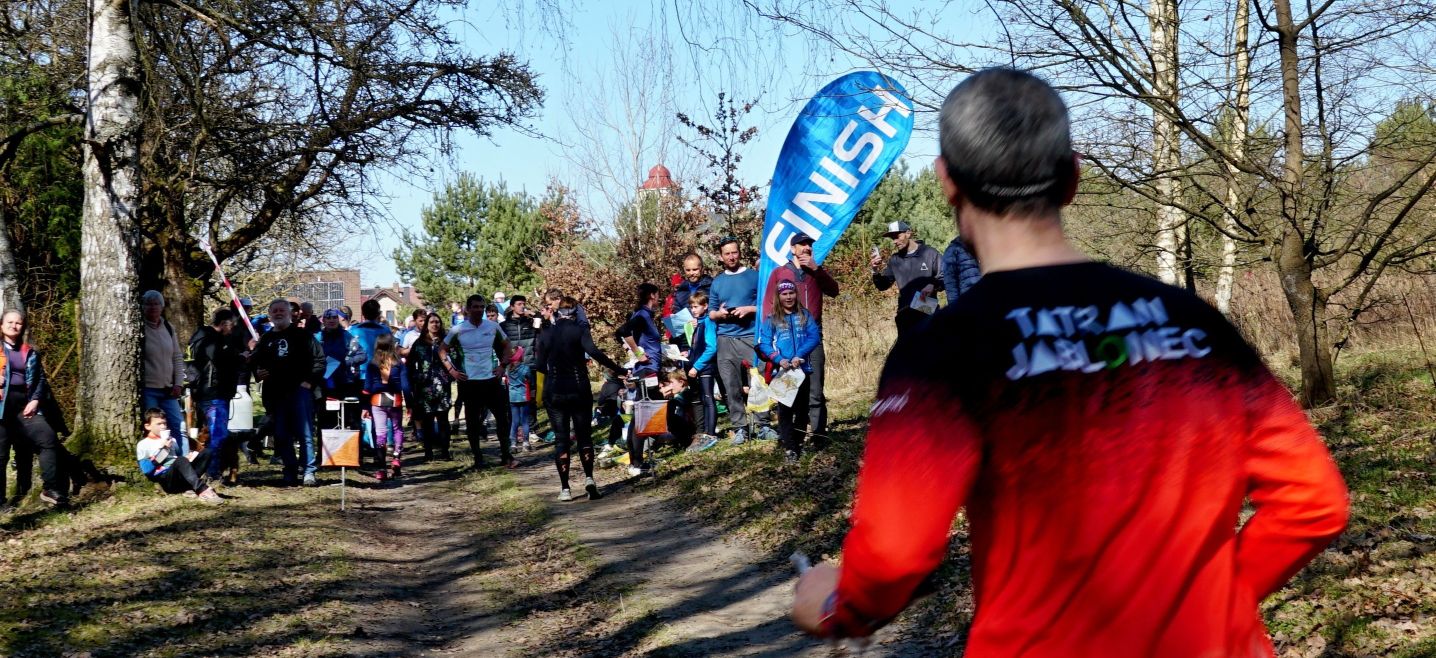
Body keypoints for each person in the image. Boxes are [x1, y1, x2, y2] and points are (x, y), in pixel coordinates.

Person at [791, 68, 1351, 656]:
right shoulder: (1195, 323)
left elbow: (893, 558)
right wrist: (1215, 602)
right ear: (1073, 177)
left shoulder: (940, 353)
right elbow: (1313, 503)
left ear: (947, 182)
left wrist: (835, 604)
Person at [535, 296, 625, 501]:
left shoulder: (547, 332)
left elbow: (539, 365)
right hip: (579, 388)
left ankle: (565, 489)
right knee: (584, 436)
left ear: (558, 312)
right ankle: (589, 478)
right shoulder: (580, 330)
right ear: (576, 313)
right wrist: (618, 369)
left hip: (555, 390)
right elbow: (594, 352)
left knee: (561, 439)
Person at [762, 232, 839, 443]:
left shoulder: (816, 271)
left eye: (809, 245)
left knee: (815, 389)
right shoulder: (779, 273)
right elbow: (768, 306)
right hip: (786, 339)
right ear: (792, 249)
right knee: (789, 390)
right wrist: (770, 342)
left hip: (812, 339)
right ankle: (792, 437)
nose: (806, 247)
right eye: (802, 244)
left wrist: (816, 269)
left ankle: (819, 434)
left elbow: (834, 290)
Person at [251, 298, 325, 486]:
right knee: (282, 434)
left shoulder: (303, 336)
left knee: (304, 432)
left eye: (281, 310)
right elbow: (254, 362)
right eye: (274, 311)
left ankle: (309, 471)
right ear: (269, 315)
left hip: (299, 392)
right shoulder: (266, 339)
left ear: (290, 313)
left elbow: (320, 360)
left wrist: (309, 381)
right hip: (275, 393)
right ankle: (290, 470)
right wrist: (258, 372)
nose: (278, 313)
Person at [707, 238, 774, 444]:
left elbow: (769, 305)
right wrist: (720, 314)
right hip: (725, 339)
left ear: (739, 252)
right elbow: (711, 313)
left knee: (758, 382)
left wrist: (749, 309)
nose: (731, 257)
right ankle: (740, 429)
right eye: (727, 254)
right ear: (721, 257)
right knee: (731, 386)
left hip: (751, 337)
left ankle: (763, 425)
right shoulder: (717, 282)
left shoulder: (754, 276)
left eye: (734, 252)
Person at [0, 310, 69, 507]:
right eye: (10, 322)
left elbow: (40, 380)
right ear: (1, 325)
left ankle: (50, 489)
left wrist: (36, 400)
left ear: (23, 327)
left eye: (18, 323)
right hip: (1, 408)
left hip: (25, 407)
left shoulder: (29, 352)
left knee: (48, 438)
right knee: (1, 455)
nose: (14, 326)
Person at [439, 294, 515, 469]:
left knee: (502, 419)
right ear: (468, 309)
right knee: (472, 422)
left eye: (482, 307)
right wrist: (452, 370)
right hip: (469, 382)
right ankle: (478, 458)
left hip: (491, 380)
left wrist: (502, 366)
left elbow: (507, 345)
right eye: (475, 307)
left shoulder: (493, 326)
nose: (479, 310)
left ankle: (506, 455)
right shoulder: (458, 330)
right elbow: (442, 350)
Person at [757, 279, 820, 465]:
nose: (788, 297)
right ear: (779, 296)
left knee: (802, 410)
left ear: (796, 294)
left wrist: (799, 355)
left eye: (791, 293)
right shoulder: (772, 319)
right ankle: (790, 448)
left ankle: (798, 442)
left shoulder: (804, 315)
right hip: (783, 373)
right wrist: (779, 359)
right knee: (785, 411)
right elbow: (764, 343)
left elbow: (814, 337)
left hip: (802, 370)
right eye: (784, 294)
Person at [188, 307, 249, 484]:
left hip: (211, 393)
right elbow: (220, 358)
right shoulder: (210, 339)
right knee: (218, 434)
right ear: (224, 324)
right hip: (213, 392)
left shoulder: (204, 338)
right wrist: (241, 357)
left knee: (212, 434)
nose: (233, 330)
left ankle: (211, 469)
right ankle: (212, 472)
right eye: (232, 326)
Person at [870, 220, 945, 336]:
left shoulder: (929, 253)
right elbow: (882, 286)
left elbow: (945, 277)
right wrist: (875, 270)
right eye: (892, 238)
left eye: (897, 236)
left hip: (926, 307)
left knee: (929, 344)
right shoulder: (895, 259)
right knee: (909, 347)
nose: (894, 241)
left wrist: (933, 285)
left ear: (908, 233)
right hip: (904, 312)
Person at [136, 408, 223, 502]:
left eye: (164, 423)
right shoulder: (144, 444)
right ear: (147, 426)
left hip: (180, 474)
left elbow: (177, 458)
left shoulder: (172, 440)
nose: (163, 427)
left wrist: (187, 458)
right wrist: (163, 450)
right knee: (180, 460)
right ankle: (202, 489)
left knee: (206, 453)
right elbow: (147, 470)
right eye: (159, 424)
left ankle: (190, 486)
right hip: (166, 479)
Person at [141, 290, 187, 441]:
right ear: (143, 307)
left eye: (156, 304)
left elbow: (177, 357)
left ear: (162, 307)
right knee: (155, 429)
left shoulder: (168, 327)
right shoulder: (139, 328)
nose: (153, 307)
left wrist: (178, 383)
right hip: (149, 390)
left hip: (169, 390)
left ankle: (183, 455)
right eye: (149, 304)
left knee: (179, 427)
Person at [406, 312, 453, 460]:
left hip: (442, 386)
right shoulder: (419, 343)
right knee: (427, 420)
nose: (435, 324)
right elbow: (409, 364)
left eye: (437, 322)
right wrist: (415, 378)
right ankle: (428, 452)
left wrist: (450, 376)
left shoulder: (446, 341)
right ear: (426, 325)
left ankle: (445, 451)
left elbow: (455, 358)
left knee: (443, 419)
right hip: (424, 387)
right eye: (431, 322)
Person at [363, 333, 409, 481]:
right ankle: (396, 458)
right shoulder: (399, 364)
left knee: (380, 433)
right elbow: (406, 386)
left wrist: (365, 407)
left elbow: (367, 388)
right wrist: (410, 404)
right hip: (395, 400)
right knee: (397, 429)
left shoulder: (372, 364)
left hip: (377, 401)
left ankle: (381, 469)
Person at [317, 308, 365, 430]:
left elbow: (362, 355)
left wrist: (346, 362)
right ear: (323, 320)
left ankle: (352, 441)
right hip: (325, 384)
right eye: (328, 318)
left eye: (334, 317)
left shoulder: (347, 336)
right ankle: (326, 441)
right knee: (327, 419)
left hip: (346, 383)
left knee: (350, 419)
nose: (331, 320)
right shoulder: (318, 337)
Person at [683, 291, 719, 450]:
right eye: (691, 307)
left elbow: (711, 348)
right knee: (703, 399)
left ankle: (711, 433)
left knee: (708, 399)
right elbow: (697, 346)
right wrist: (688, 354)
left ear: (705, 306)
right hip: (697, 366)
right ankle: (705, 431)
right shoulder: (697, 323)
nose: (693, 310)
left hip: (706, 367)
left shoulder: (708, 322)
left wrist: (696, 366)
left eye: (696, 306)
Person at [942, 233, 982, 305]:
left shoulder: (989, 245)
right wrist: (955, 308)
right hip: (969, 304)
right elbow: (951, 286)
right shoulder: (953, 250)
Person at [506, 348, 532, 452]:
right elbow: (530, 379)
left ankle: (513, 444)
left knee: (514, 421)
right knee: (525, 421)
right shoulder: (526, 368)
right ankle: (526, 443)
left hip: (512, 397)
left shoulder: (508, 369)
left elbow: (507, 381)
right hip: (524, 396)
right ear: (520, 356)